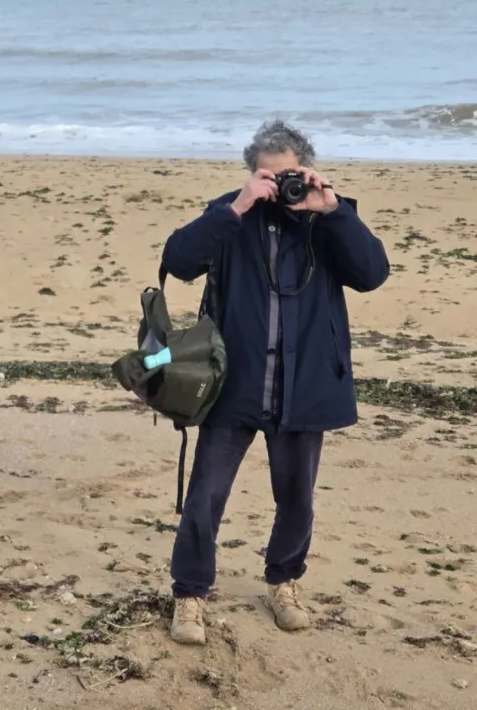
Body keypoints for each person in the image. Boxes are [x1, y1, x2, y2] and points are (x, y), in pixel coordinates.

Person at [159, 120, 390, 645]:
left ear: (306, 171)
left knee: (297, 497)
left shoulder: (327, 217)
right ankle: (190, 593)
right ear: (251, 173)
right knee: (205, 495)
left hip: (304, 383)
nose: (279, 185)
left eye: (289, 175)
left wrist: (333, 211)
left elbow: (373, 273)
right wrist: (237, 207)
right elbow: (178, 261)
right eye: (267, 176)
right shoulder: (229, 213)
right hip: (233, 384)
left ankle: (283, 582)